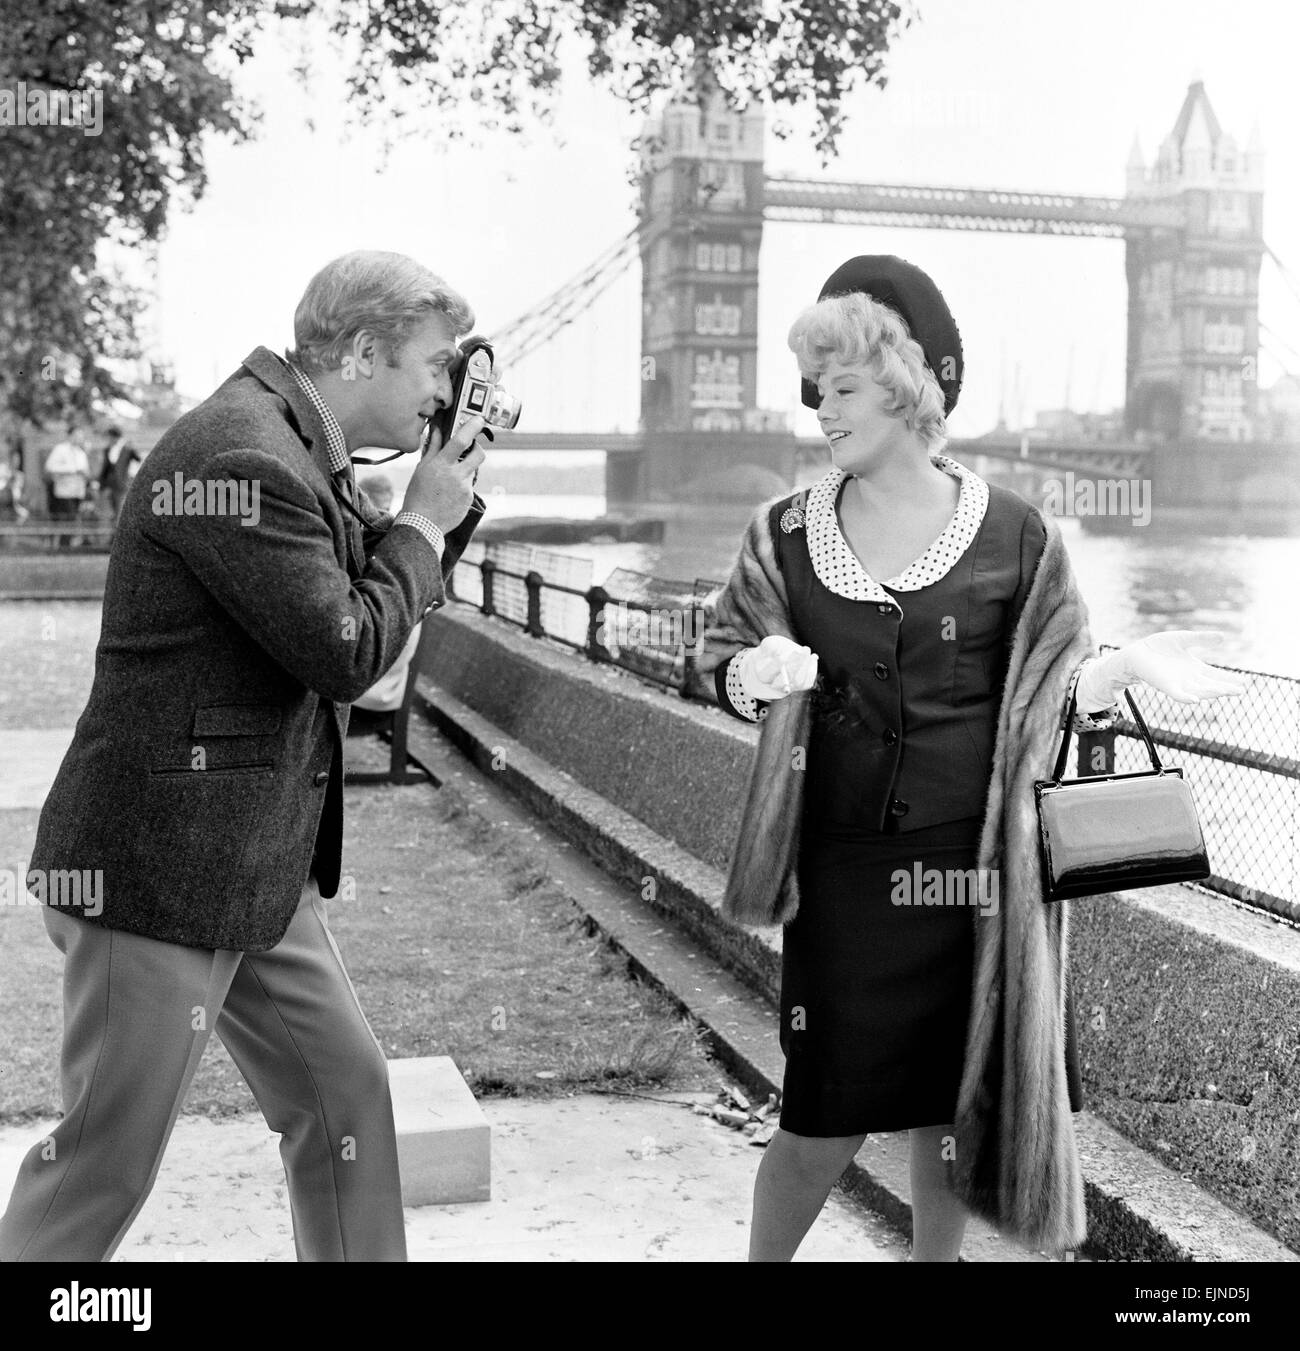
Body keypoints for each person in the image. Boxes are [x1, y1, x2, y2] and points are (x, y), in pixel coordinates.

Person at [696, 255, 1246, 1262]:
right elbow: (718, 657)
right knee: (820, 1121)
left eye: (842, 389)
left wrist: (1120, 667)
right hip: (846, 879)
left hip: (975, 880)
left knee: (949, 1120)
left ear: (906, 385)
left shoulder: (1014, 533)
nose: (821, 411)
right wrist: (753, 676)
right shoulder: (780, 534)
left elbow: (1049, 684)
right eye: (816, 393)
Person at [0, 250, 490, 1263]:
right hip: (160, 874)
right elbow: (348, 646)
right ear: (362, 351)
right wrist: (427, 521)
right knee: (104, 1165)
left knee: (343, 1096)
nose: (447, 389)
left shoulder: (296, 445)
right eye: (437, 366)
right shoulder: (239, 456)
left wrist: (447, 497)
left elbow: (369, 578)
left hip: (251, 870)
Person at [42, 426, 91, 546]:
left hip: (78, 492)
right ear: (70, 435)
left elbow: (86, 471)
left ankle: (65, 545)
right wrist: (72, 470)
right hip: (64, 492)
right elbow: (50, 467)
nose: (79, 438)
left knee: (72, 519)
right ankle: (63, 546)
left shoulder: (81, 452)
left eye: (81, 436)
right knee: (68, 519)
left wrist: (85, 474)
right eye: (77, 435)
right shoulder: (60, 449)